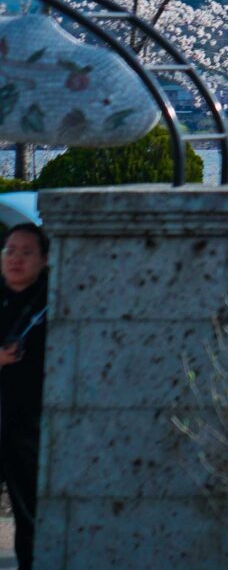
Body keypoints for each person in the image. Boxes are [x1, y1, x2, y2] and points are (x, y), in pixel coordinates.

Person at [0, 223, 48, 567]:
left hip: (27, 424)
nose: (15, 259)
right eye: (10, 250)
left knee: (29, 515)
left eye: (26, 252)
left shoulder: (52, 300)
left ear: (45, 259)